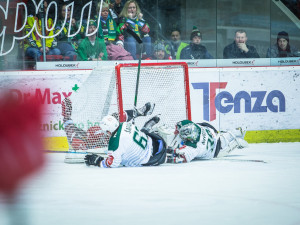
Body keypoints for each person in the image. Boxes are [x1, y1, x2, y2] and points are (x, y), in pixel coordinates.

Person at [62, 98, 167, 168]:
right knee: (94, 132)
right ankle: (140, 115)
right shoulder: (124, 125)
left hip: (149, 157)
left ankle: (145, 126)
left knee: (79, 140)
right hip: (149, 142)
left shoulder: (115, 145)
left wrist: (97, 161)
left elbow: (112, 163)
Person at [156, 120, 248, 164]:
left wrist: (165, 155)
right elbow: (179, 126)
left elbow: (181, 157)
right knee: (225, 137)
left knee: (223, 143)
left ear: (190, 137)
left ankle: (237, 142)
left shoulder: (195, 147)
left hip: (215, 149)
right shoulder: (191, 126)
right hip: (211, 131)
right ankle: (236, 132)